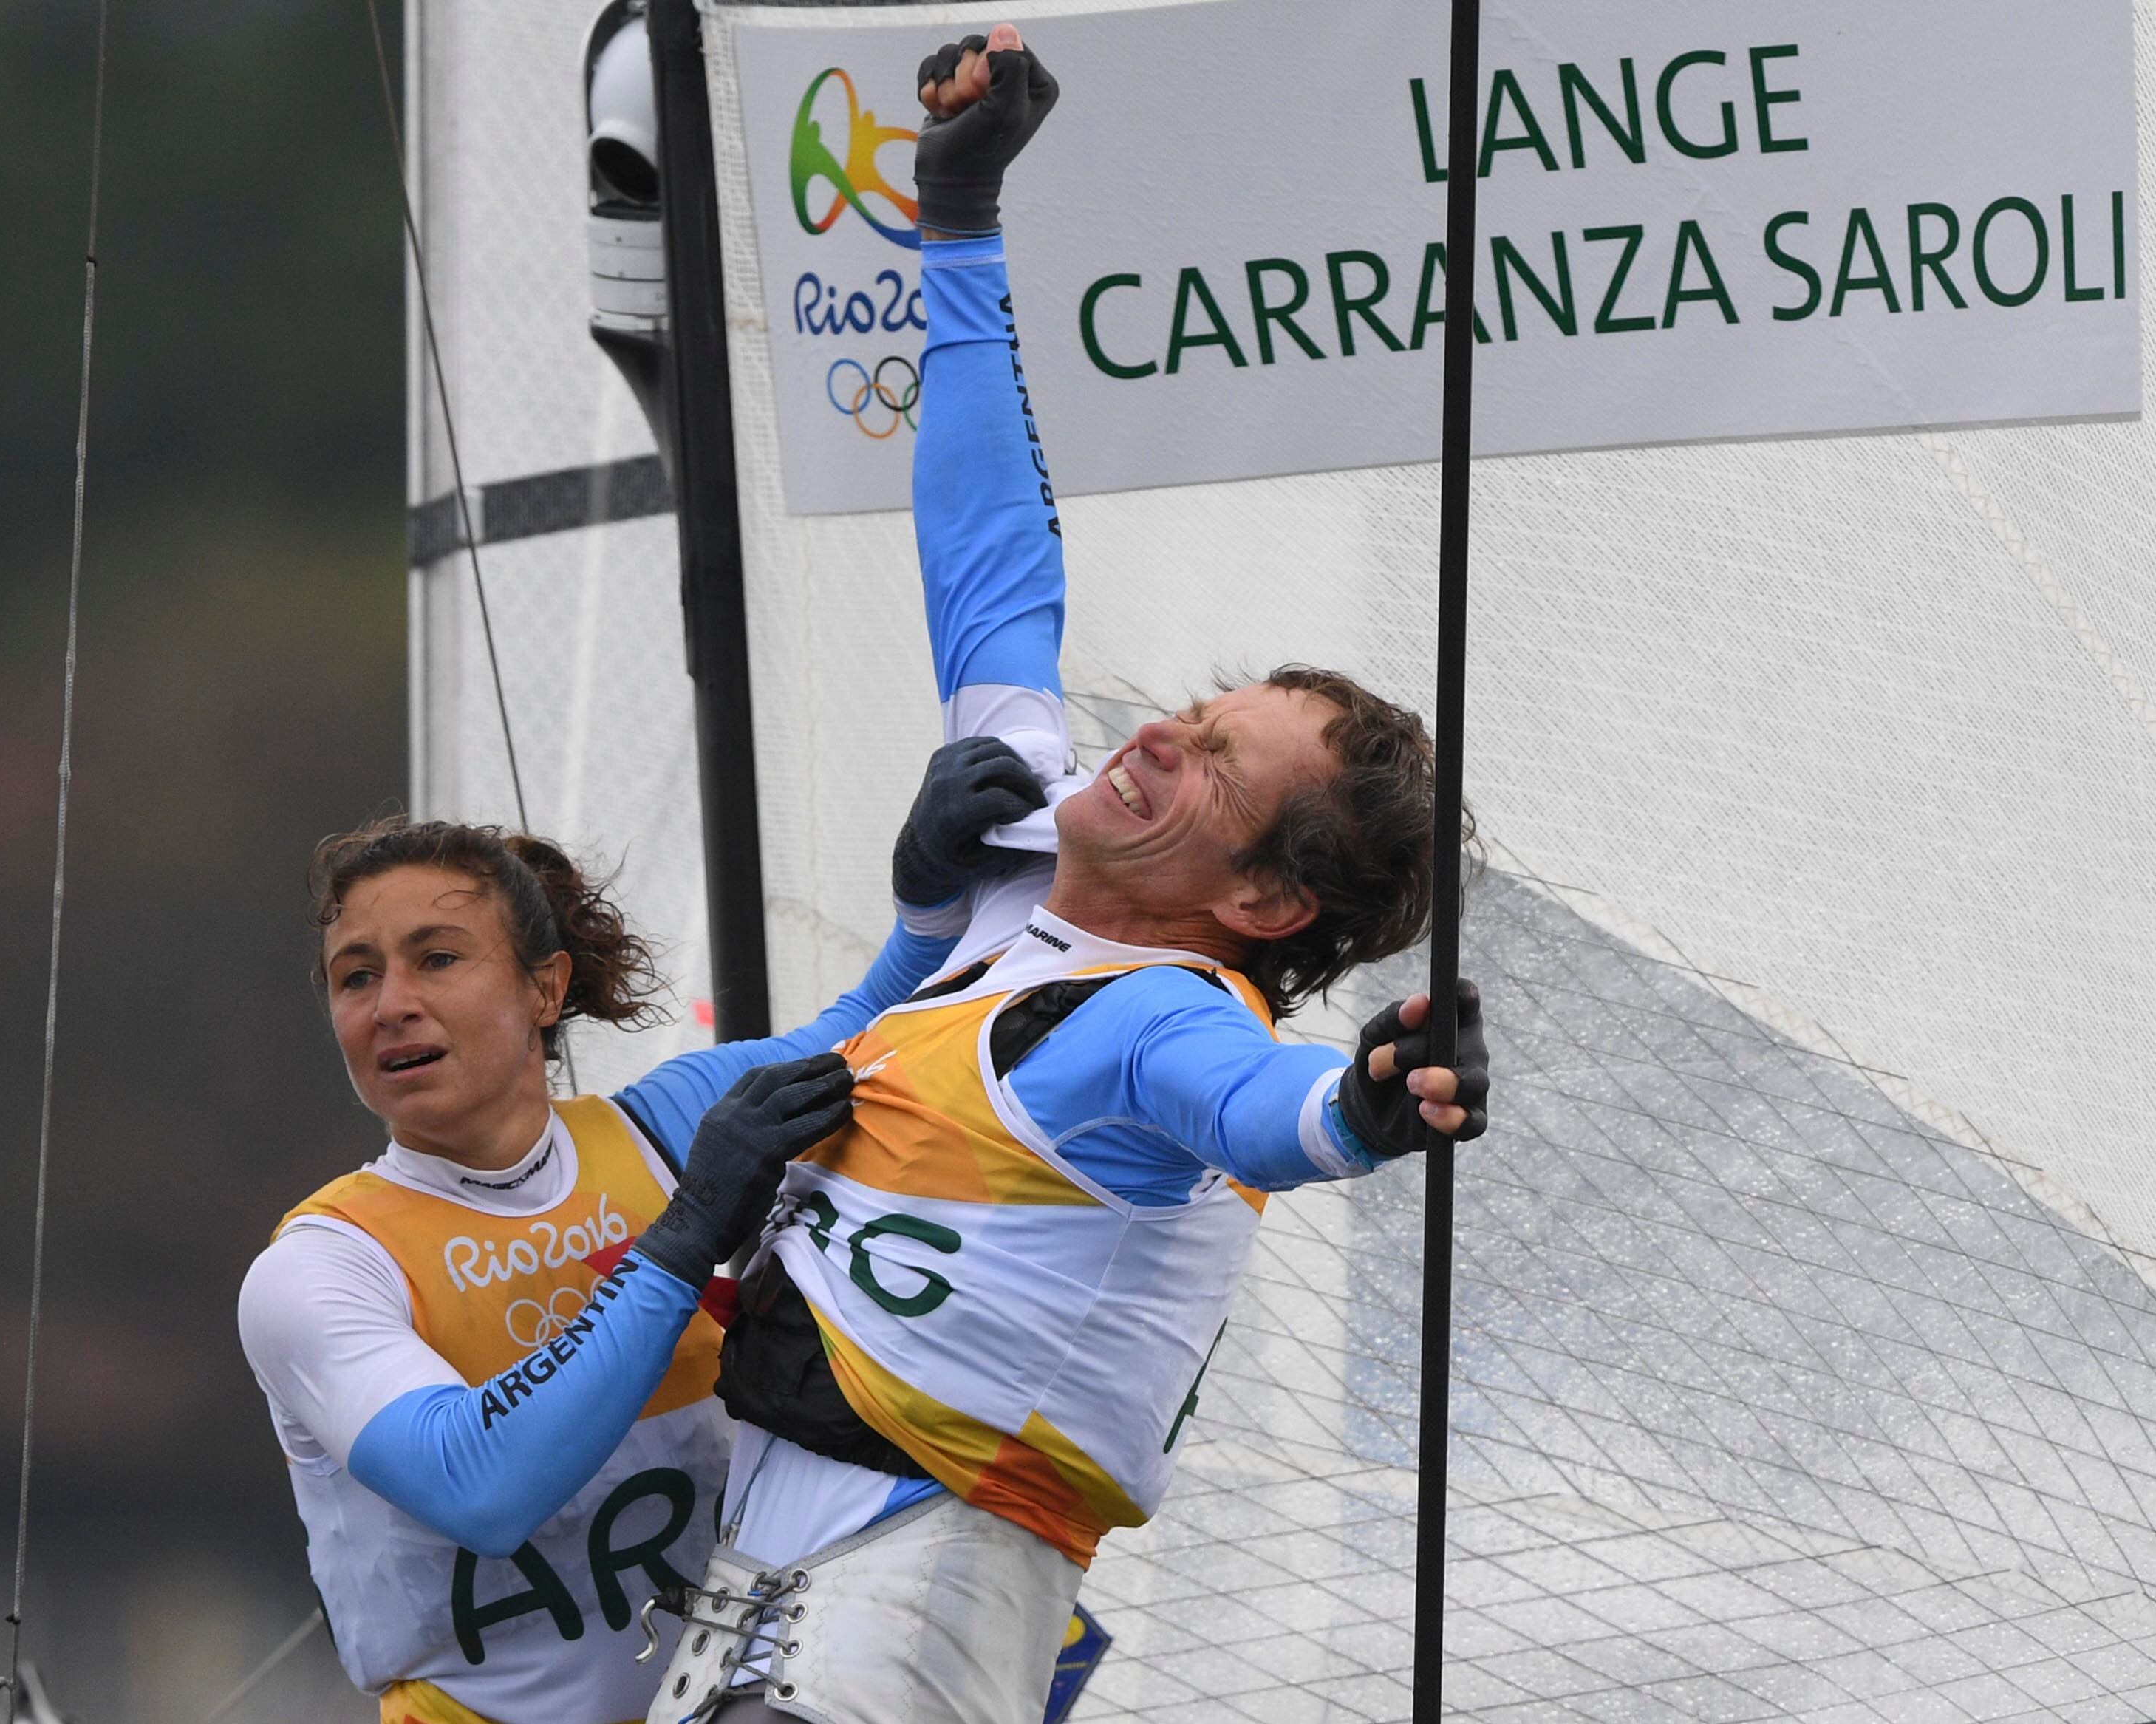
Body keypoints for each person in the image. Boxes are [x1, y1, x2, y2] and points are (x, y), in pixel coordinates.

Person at [644, 27, 1495, 1724]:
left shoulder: (1164, 1016)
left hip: (894, 1618)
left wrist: (1364, 1110)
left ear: (1262, 906)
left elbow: (1258, 1113)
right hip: (757, 1595)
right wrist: (956, 222)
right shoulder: (1018, 846)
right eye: (1194, 710)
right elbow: (987, 550)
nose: (1156, 734)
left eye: (1214, 765)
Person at [237, 737, 1050, 1724]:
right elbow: (481, 1489)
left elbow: (889, 1031)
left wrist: (930, 901)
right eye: (355, 978)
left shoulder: (663, 1126)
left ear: (544, 989)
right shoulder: (317, 1267)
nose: (392, 1006)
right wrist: (687, 1233)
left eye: (437, 959)